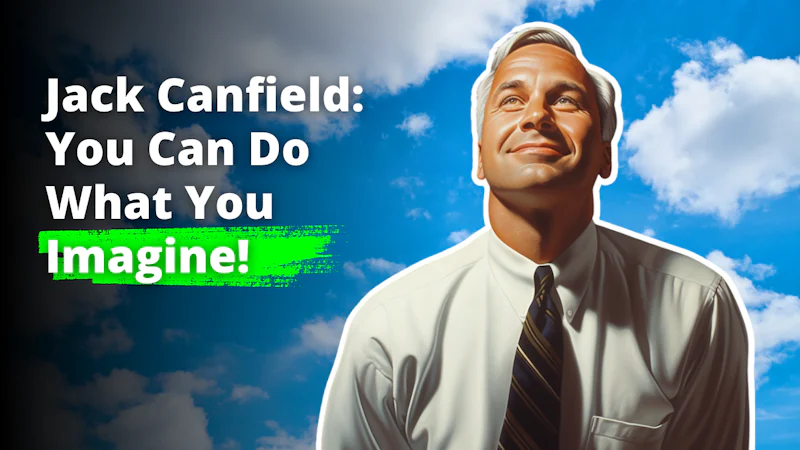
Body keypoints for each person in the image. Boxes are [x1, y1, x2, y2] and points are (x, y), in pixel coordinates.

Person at [316, 22, 754, 450]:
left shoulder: (697, 306)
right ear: (479, 156)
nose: (536, 116)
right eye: (511, 100)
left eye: (565, 100)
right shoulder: (390, 328)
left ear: (606, 155)